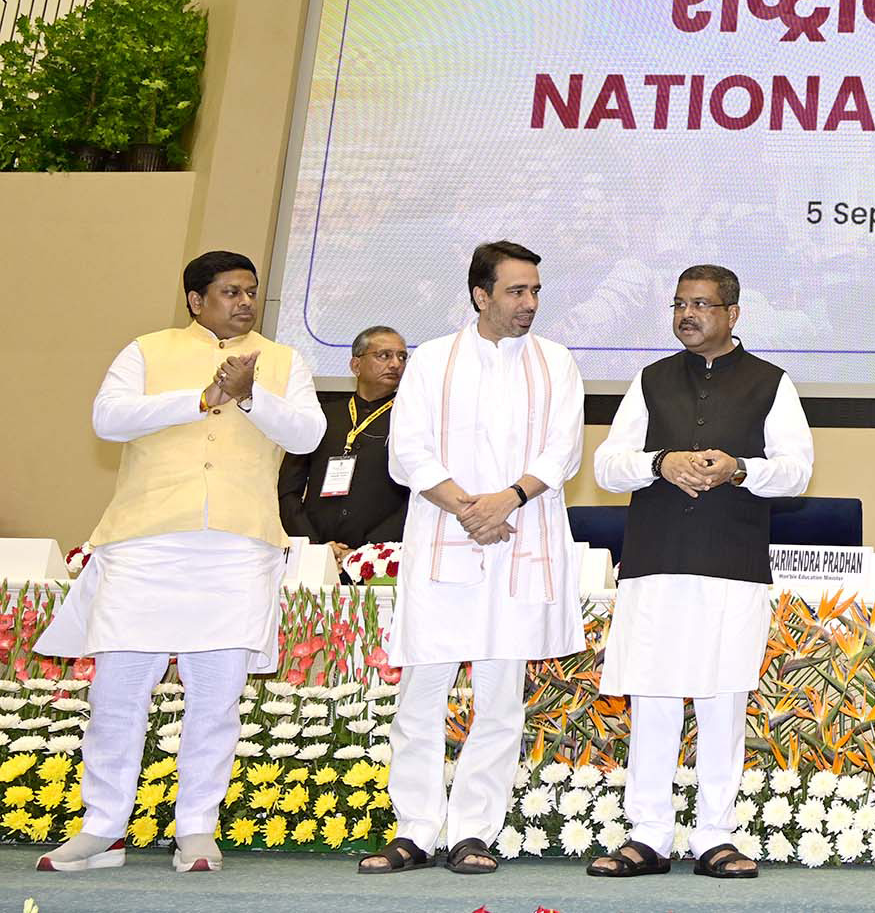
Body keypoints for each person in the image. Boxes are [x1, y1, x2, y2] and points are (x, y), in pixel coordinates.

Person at [34, 252, 325, 874]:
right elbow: (108, 419)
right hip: (146, 540)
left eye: (250, 292)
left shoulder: (283, 360)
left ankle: (196, 828)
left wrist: (249, 397)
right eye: (230, 292)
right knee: (117, 693)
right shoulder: (147, 350)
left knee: (216, 699)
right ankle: (102, 829)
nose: (244, 302)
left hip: (237, 545)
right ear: (196, 300)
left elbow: (306, 434)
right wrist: (203, 398)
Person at [362, 241, 585, 876]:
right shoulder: (433, 359)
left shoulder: (556, 361)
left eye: (535, 290)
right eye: (517, 291)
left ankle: (472, 832)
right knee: (421, 696)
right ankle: (415, 830)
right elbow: (408, 451)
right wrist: (469, 508)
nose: (530, 303)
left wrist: (506, 500)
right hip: (444, 537)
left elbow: (563, 451)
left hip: (518, 536)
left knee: (499, 701)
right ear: (481, 295)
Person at [586, 264, 812, 879]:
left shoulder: (771, 382)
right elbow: (607, 466)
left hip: (731, 563)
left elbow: (797, 472)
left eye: (702, 305)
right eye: (680, 304)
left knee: (722, 700)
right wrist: (660, 462)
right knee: (653, 696)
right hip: (656, 560)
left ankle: (715, 834)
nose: (688, 315)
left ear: (732, 314)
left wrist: (740, 469)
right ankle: (649, 836)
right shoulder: (651, 379)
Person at [279, 327, 410, 563]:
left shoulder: (411, 420)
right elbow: (288, 490)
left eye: (402, 357)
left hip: (381, 559)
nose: (395, 364)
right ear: (356, 365)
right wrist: (314, 545)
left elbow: (417, 496)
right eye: (384, 355)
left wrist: (370, 550)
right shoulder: (321, 416)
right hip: (316, 553)